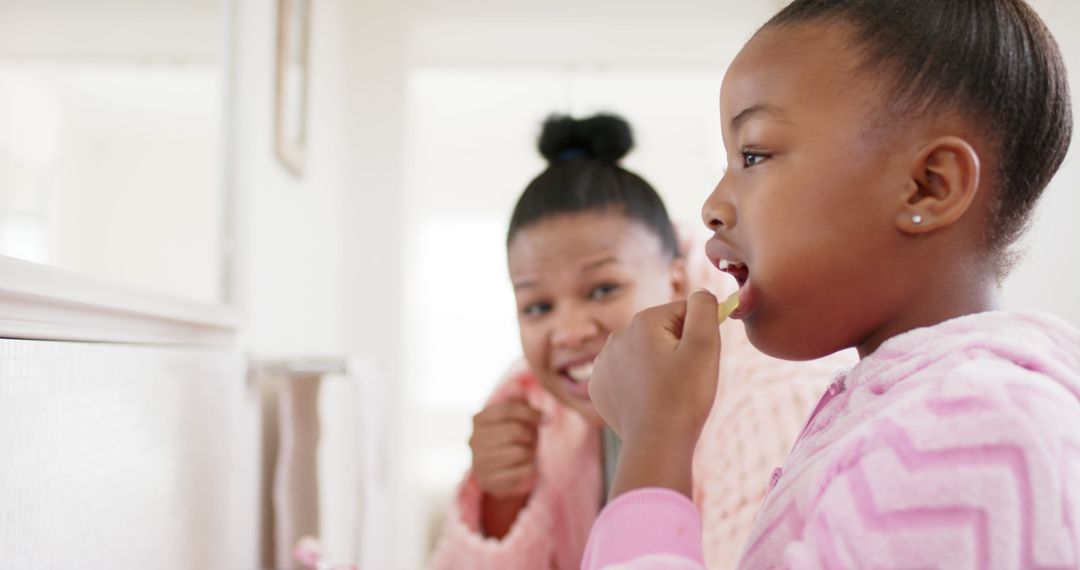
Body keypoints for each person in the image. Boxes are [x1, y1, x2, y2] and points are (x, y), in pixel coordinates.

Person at [582, 1, 1080, 568]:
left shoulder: (982, 432)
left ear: (927, 187)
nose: (712, 208)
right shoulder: (920, 417)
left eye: (754, 154)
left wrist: (654, 441)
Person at [428, 114, 851, 569]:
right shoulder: (529, 404)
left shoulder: (773, 403)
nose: (567, 331)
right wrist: (501, 505)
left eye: (603, 289)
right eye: (537, 306)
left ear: (675, 282)